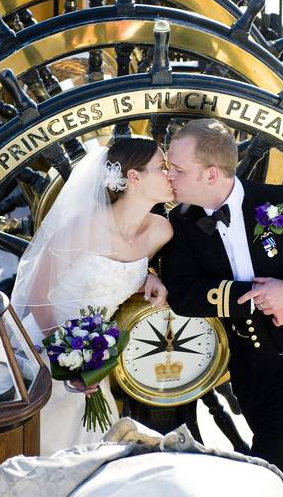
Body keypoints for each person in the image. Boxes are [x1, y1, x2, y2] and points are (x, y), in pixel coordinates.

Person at [159, 119, 283, 497]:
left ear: (211, 174)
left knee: (265, 482)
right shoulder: (182, 224)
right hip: (249, 377)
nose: (170, 176)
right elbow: (183, 292)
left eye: (179, 169)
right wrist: (255, 298)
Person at [11, 137, 174, 454]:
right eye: (162, 167)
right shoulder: (84, 228)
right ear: (134, 178)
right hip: (49, 347)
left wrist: (154, 277)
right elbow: (37, 293)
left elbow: (125, 275)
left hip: (97, 357)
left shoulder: (160, 231)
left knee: (93, 439)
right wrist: (68, 360)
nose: (170, 174)